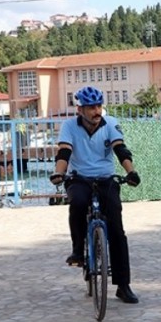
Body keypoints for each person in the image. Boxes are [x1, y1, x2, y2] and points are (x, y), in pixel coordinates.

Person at [49, 86, 141, 304]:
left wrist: (131, 172)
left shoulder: (110, 124)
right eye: (91, 107)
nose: (96, 111)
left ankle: (123, 285)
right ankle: (78, 251)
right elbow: (64, 152)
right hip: (79, 178)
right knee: (78, 202)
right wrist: (59, 173)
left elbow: (121, 150)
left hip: (106, 179)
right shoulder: (69, 126)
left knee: (117, 231)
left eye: (99, 106)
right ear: (80, 109)